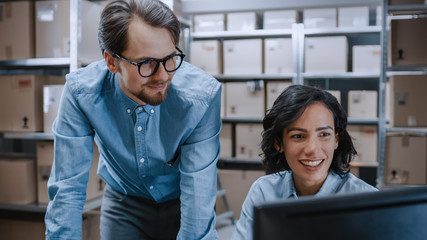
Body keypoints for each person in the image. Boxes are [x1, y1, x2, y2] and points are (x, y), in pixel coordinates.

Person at [44, 0, 221, 239]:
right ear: (111, 62)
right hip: (123, 204)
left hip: (183, 202)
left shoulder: (201, 98)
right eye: (147, 63)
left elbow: (198, 203)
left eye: (170, 58)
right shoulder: (81, 94)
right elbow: (67, 190)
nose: (163, 75)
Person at [232, 85, 377, 240]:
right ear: (278, 143)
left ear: (336, 139)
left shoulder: (368, 201)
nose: (312, 149)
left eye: (324, 134)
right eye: (298, 136)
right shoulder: (263, 192)